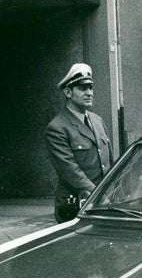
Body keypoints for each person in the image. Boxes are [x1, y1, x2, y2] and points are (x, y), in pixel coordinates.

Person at [46, 63, 113, 223]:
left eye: (91, 88)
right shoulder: (57, 127)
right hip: (76, 204)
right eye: (83, 88)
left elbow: (109, 161)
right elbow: (69, 169)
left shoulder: (98, 121)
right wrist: (98, 194)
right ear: (68, 92)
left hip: (103, 201)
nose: (89, 93)